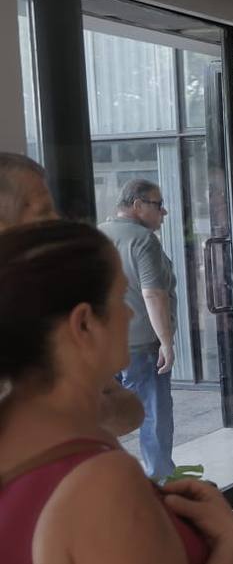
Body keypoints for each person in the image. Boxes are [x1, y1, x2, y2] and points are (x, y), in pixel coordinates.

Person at [0, 219, 233, 564]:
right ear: (83, 324)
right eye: (119, 297)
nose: (131, 311)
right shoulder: (94, 482)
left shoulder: (23, 437)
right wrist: (228, 548)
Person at [0, 153, 143, 438]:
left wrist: (80, 406)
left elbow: (131, 411)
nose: (56, 222)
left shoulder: (49, 301)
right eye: (43, 212)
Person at [99, 180, 179, 481]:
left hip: (106, 347)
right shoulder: (143, 240)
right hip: (144, 346)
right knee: (154, 417)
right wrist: (166, 342)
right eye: (158, 205)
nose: (164, 212)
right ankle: (159, 485)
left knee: (106, 416)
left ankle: (112, 483)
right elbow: (153, 294)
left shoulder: (98, 235)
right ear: (137, 205)